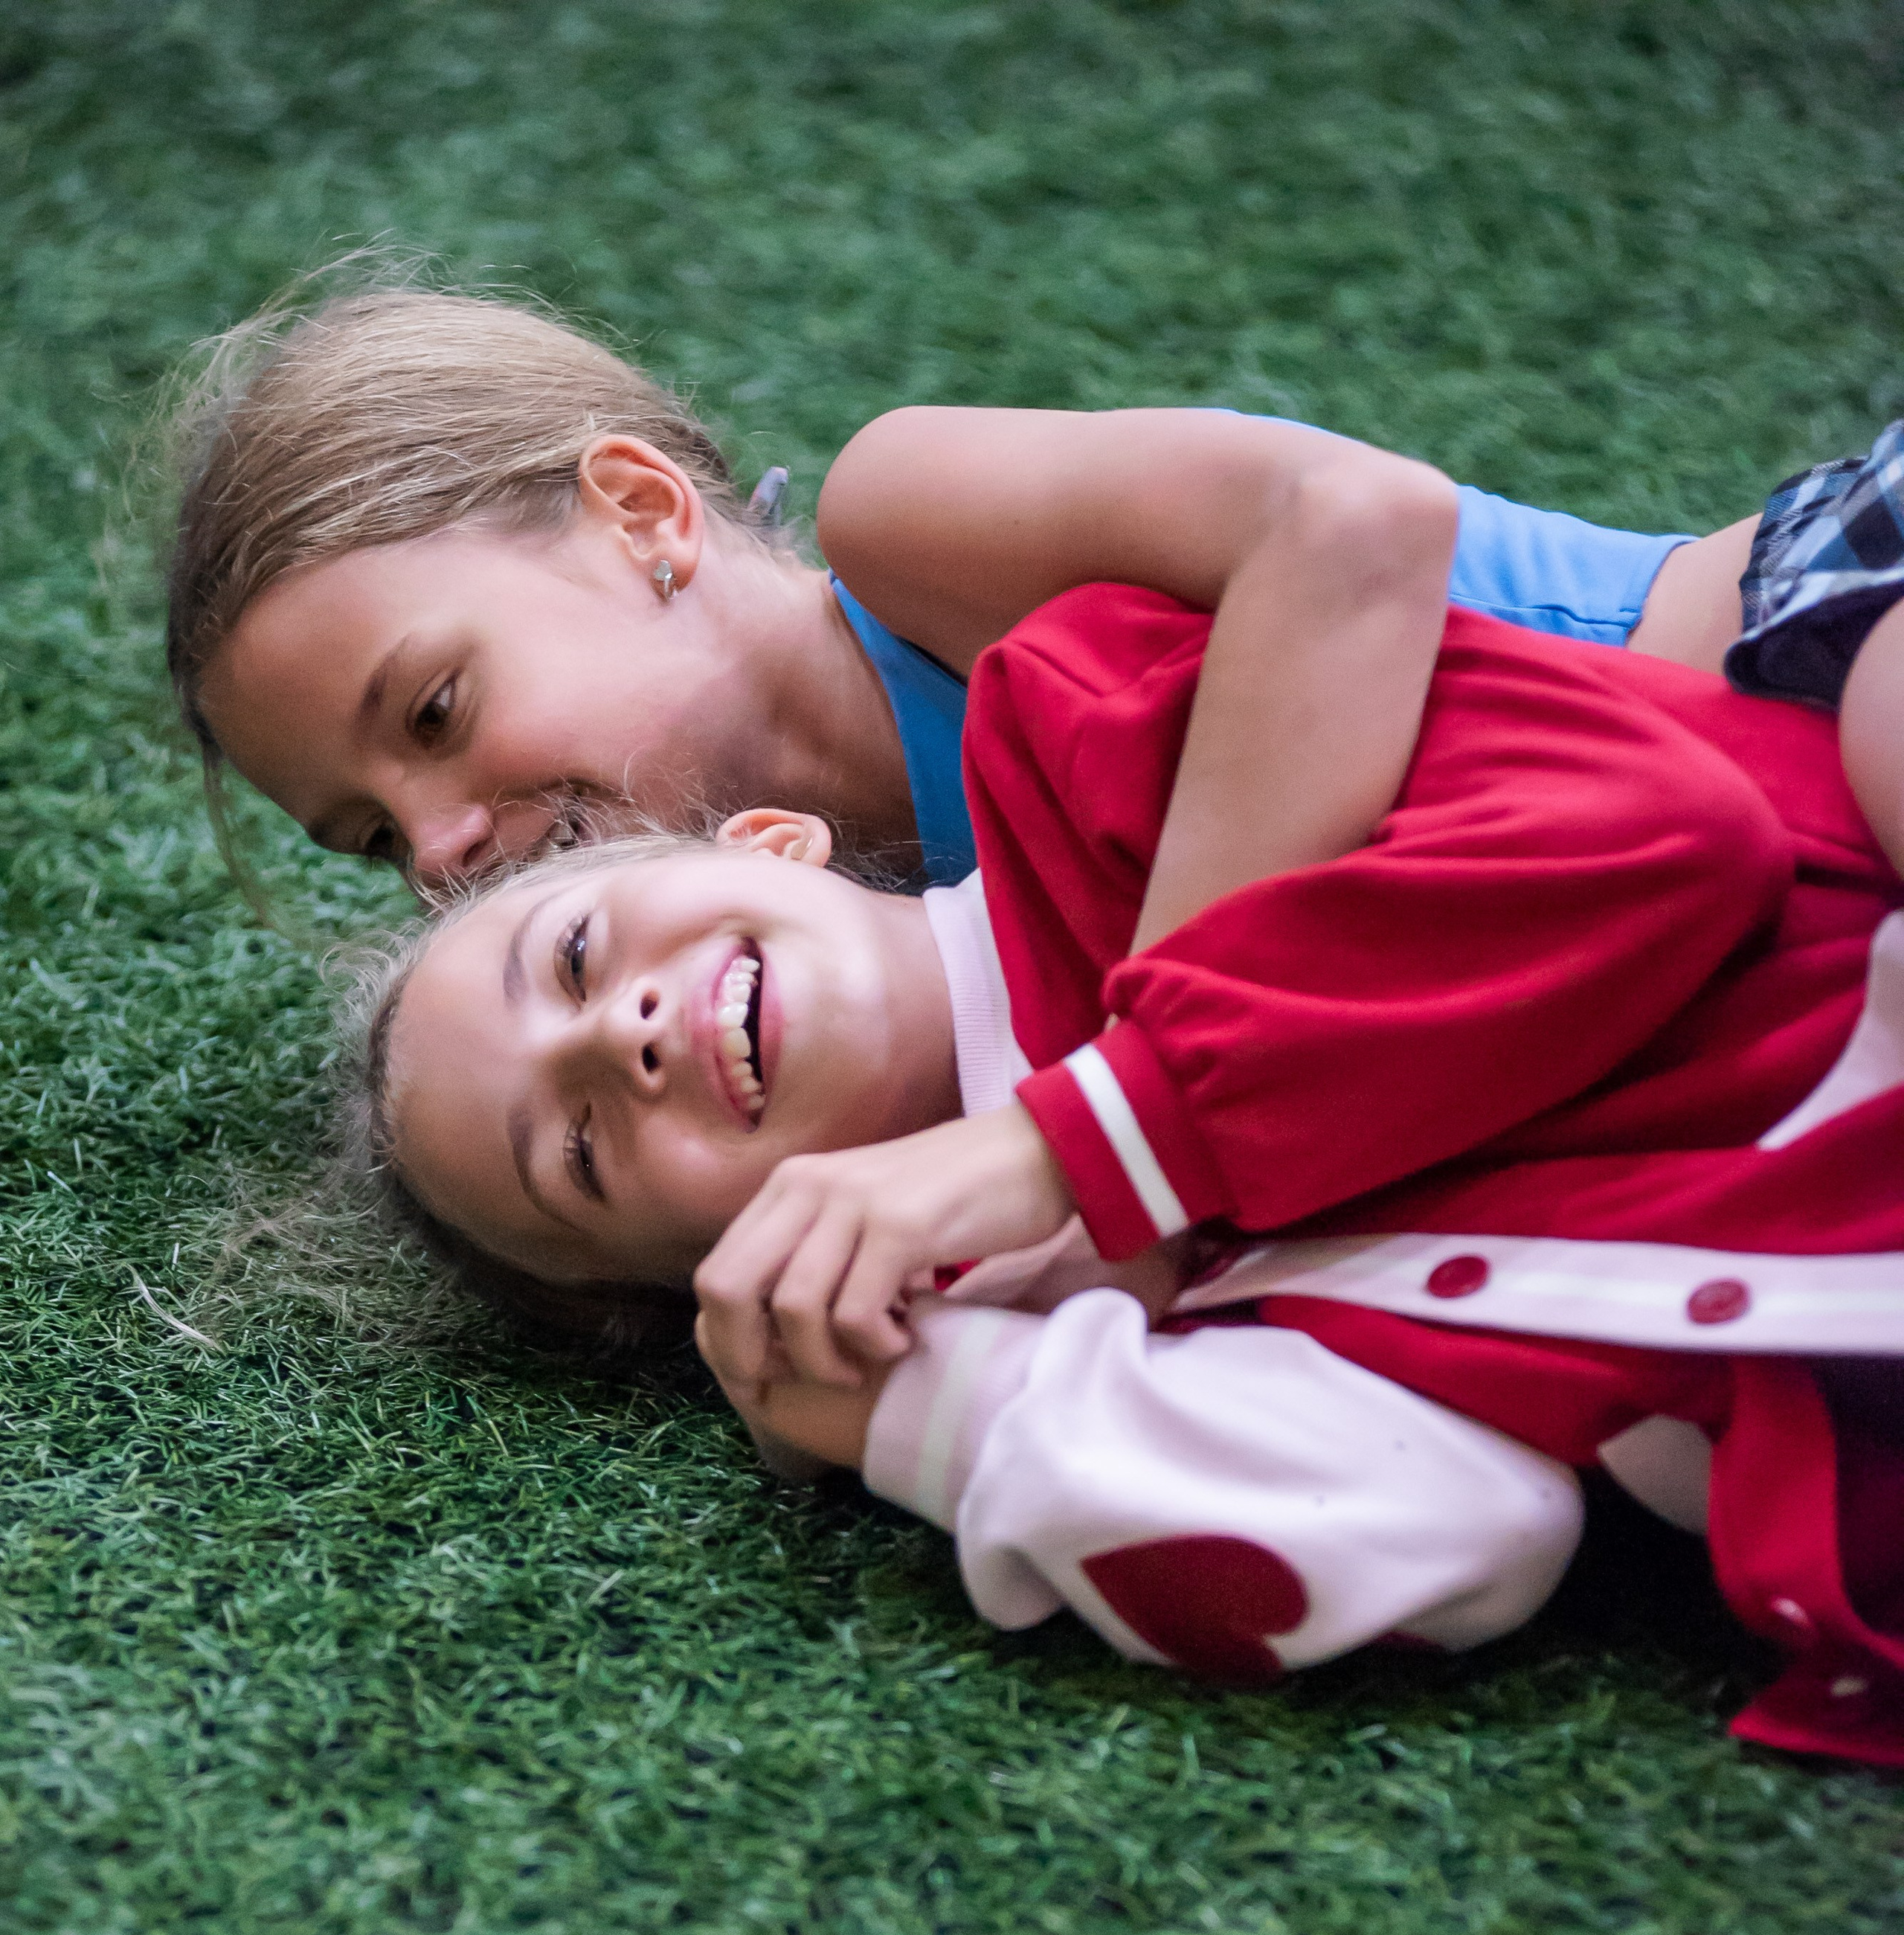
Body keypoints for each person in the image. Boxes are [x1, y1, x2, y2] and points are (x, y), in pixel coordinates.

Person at [336, 586, 1904, 1768]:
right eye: (585, 1154)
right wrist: (925, 1402)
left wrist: (1077, 1137)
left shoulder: (1086, 732)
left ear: (767, 843)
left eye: (579, 954)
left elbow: (1662, 838)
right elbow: (1449, 1536)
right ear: (715, 1277)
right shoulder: (1122, 1350)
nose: (623, 1038)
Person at [170, 278, 1797, 981]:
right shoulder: (834, 973)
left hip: (1785, 659)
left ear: (644, 517)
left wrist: (1132, 1101)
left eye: (436, 712)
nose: (444, 853)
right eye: (370, 840)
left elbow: (1356, 526)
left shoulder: (910, 528)